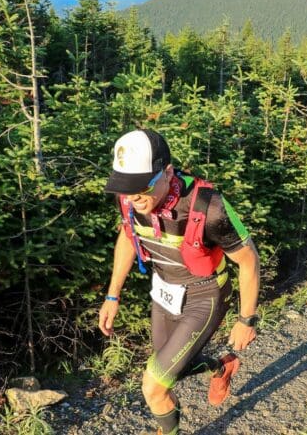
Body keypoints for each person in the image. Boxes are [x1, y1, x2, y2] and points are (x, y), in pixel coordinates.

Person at [99, 130, 261, 434]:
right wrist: (112, 296)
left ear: (168, 172)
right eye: (125, 188)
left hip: (205, 295)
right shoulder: (131, 202)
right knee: (169, 371)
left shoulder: (208, 207)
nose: (133, 197)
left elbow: (248, 259)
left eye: (141, 186)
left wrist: (247, 319)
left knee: (153, 386)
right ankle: (220, 366)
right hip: (164, 292)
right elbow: (127, 237)